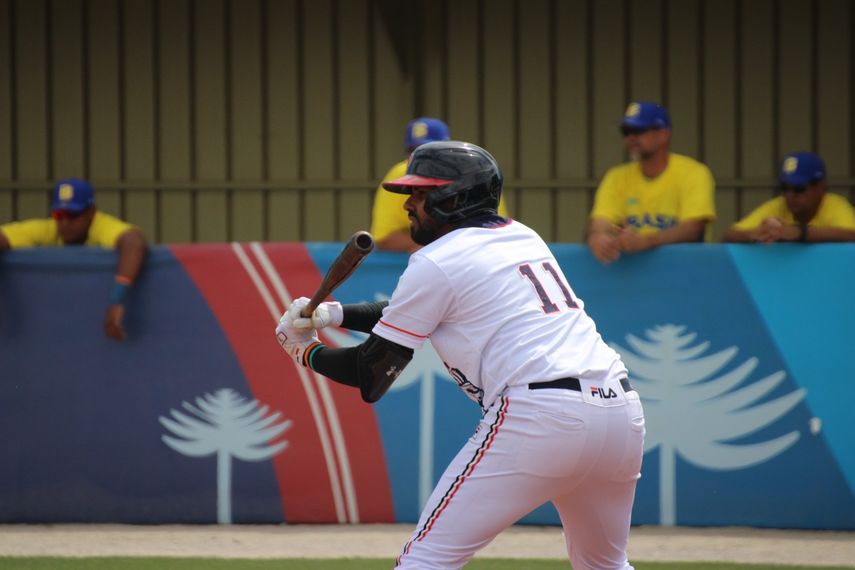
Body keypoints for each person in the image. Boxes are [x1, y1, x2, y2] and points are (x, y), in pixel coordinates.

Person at [276, 141, 645, 569]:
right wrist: (332, 313)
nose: (410, 205)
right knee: (605, 565)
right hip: (619, 413)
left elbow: (371, 375)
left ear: (456, 198)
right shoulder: (521, 234)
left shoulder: (436, 260)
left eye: (421, 193)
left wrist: (305, 353)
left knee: (425, 561)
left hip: (540, 415)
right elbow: (419, 310)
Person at [0, 178, 147, 341]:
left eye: (73, 215)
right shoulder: (49, 228)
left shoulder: (101, 225)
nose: (65, 222)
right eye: (59, 215)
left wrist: (117, 300)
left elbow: (134, 243)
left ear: (91, 212)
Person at [586, 101, 716, 264]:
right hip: (634, 276)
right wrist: (597, 236)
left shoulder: (694, 172)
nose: (631, 138)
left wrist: (645, 241)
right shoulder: (616, 176)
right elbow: (601, 220)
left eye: (639, 130)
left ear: (663, 134)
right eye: (626, 132)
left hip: (686, 271)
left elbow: (692, 229)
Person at [370, 117, 509, 252]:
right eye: (415, 151)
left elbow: (495, 229)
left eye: (431, 150)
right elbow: (383, 238)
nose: (422, 158)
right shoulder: (401, 172)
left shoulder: (473, 175)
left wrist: (442, 247)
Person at [723, 151, 855, 243]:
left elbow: (851, 235)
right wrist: (756, 233)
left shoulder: (835, 205)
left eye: (799, 188)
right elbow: (729, 236)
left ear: (821, 187)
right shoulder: (779, 205)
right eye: (785, 188)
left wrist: (800, 233)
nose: (790, 195)